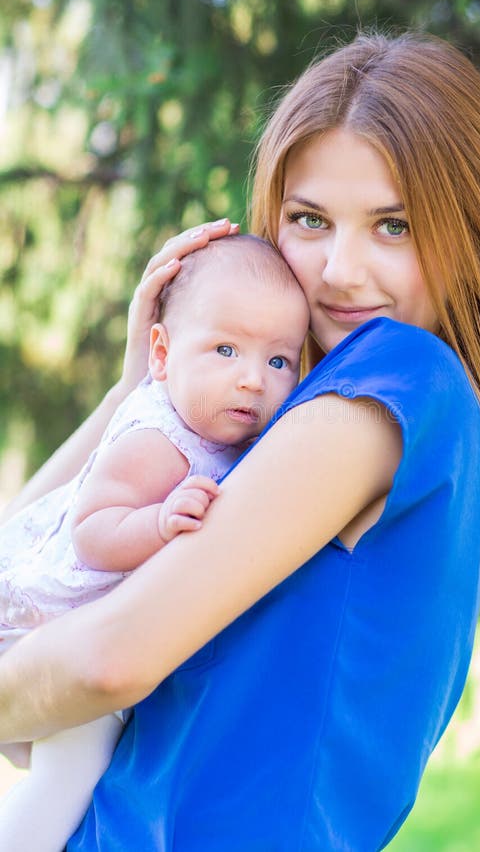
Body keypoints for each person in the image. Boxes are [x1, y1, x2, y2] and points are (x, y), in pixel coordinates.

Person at [0, 32, 480, 850]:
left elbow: (106, 662)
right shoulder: (302, 414)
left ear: (471, 232)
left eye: (395, 225)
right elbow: (30, 564)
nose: (341, 270)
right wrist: (139, 393)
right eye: (310, 219)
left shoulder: (398, 379)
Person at [0, 233, 309, 852]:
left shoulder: (224, 432)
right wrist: (160, 522)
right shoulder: (156, 441)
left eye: (280, 361)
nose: (253, 380)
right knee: (68, 775)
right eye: (225, 350)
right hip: (43, 630)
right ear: (161, 353)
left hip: (80, 637)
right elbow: (93, 535)